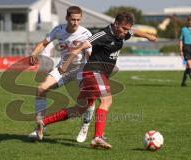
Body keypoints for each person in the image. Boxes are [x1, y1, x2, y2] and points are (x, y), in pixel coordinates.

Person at [34, 12, 157, 149]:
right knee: (106, 100)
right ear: (116, 24)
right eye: (124, 28)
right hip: (93, 71)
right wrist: (64, 66)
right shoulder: (103, 35)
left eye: (127, 29)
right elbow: (79, 47)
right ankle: (97, 137)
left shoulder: (123, 33)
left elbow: (134, 33)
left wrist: (149, 36)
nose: (126, 32)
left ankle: (43, 122)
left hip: (99, 74)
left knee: (80, 109)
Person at [29, 6, 95, 143]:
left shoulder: (86, 33)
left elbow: (90, 54)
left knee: (87, 100)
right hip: (62, 69)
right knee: (41, 89)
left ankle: (85, 125)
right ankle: (40, 127)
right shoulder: (58, 30)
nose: (75, 22)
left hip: (81, 70)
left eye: (78, 20)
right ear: (66, 18)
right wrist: (34, 53)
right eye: (73, 19)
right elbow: (44, 43)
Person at [180, 16, 191, 87]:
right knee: (190, 65)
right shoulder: (183, 29)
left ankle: (183, 82)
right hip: (186, 47)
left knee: (188, 67)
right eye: (190, 20)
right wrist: (181, 50)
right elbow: (181, 40)